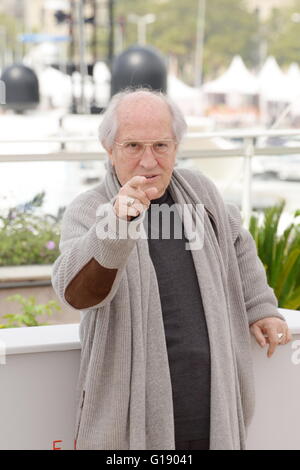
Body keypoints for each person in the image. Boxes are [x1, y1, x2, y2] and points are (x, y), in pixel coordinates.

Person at [51, 88, 292, 451]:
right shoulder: (91, 209)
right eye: (133, 146)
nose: (149, 161)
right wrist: (117, 223)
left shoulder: (201, 193)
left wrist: (261, 308)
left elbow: (238, 246)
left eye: (161, 146)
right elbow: (77, 293)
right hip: (132, 414)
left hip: (213, 408)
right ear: (110, 149)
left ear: (176, 147)